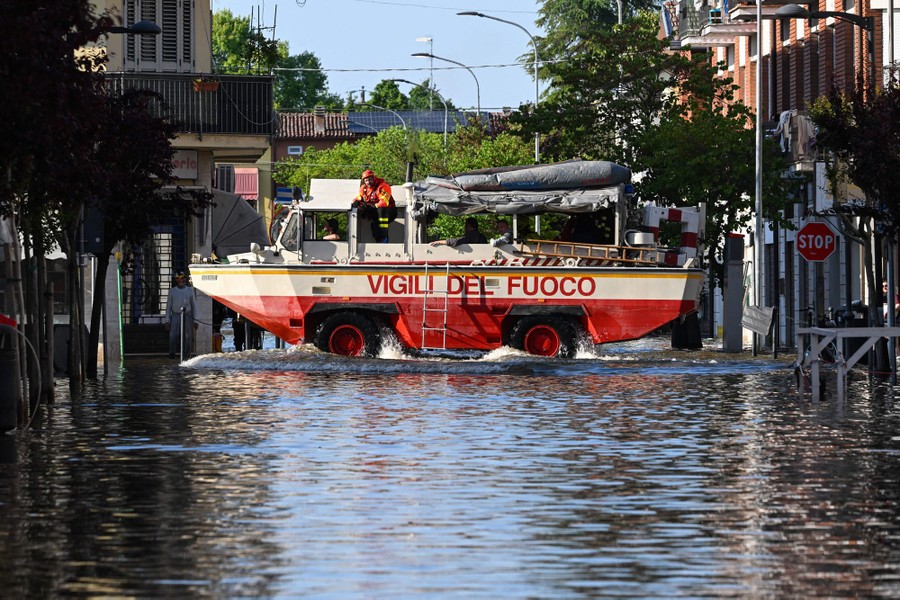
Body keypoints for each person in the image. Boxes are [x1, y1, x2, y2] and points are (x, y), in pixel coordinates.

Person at [352, 169, 396, 242]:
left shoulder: (383, 186)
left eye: (370, 179)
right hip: (375, 211)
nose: (368, 182)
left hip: (388, 211)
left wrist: (373, 207)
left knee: (381, 211)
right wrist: (357, 201)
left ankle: (384, 236)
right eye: (366, 180)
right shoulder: (363, 188)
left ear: (374, 178)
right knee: (375, 226)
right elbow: (359, 197)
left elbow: (384, 202)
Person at [165, 271, 197, 359]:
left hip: (187, 315)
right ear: (176, 279)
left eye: (183, 278)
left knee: (187, 335)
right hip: (176, 314)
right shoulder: (172, 291)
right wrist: (167, 320)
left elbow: (194, 305)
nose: (182, 280)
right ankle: (172, 353)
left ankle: (187, 353)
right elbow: (169, 306)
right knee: (173, 335)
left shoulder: (190, 290)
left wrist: (195, 320)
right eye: (180, 278)